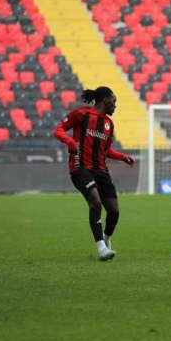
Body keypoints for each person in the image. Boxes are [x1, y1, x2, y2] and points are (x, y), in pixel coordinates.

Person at [53, 86, 136, 261]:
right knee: (95, 202)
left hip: (101, 170)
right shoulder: (81, 114)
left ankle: (106, 240)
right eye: (114, 101)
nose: (115, 105)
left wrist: (122, 157)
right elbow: (58, 130)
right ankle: (101, 249)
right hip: (80, 167)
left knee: (114, 211)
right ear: (105, 100)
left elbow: (106, 150)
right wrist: (70, 141)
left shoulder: (109, 124)